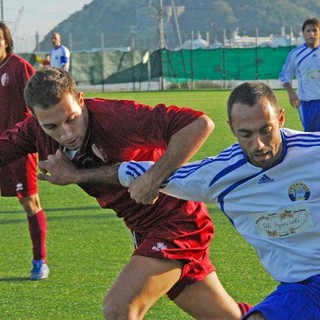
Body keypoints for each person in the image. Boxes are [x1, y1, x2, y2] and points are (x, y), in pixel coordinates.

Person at [0, 67, 252, 319]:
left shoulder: (116, 117)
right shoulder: (34, 131)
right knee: (227, 317)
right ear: (34, 117)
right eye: (51, 126)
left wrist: (154, 178)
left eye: (71, 119)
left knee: (119, 309)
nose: (66, 134)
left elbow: (198, 124)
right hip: (144, 230)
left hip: (180, 222)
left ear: (80, 99)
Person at [116, 81, 320, 320]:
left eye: (266, 130)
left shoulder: (313, 152)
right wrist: (79, 173)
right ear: (232, 129)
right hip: (303, 289)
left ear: (281, 119)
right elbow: (150, 174)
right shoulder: (219, 174)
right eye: (246, 134)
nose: (259, 144)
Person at [0, 22, 49, 280]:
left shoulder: (19, 67)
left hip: (19, 147)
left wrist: (44, 143)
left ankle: (40, 261)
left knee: (29, 202)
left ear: (6, 41)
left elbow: (41, 103)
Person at [279, 18, 320, 132]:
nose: (312, 34)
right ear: (303, 33)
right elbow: (284, 76)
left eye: (315, 30)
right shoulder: (296, 54)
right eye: (308, 31)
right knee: (312, 136)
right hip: (307, 102)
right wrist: (291, 93)